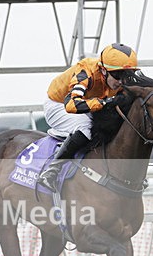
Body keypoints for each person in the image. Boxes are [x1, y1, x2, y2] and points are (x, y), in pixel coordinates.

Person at [37, 42, 139, 192]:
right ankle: (52, 171)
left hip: (88, 103)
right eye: (117, 75)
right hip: (59, 104)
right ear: (103, 70)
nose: (121, 82)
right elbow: (71, 105)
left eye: (127, 75)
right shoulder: (85, 72)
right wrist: (105, 102)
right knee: (85, 127)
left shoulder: (119, 80)